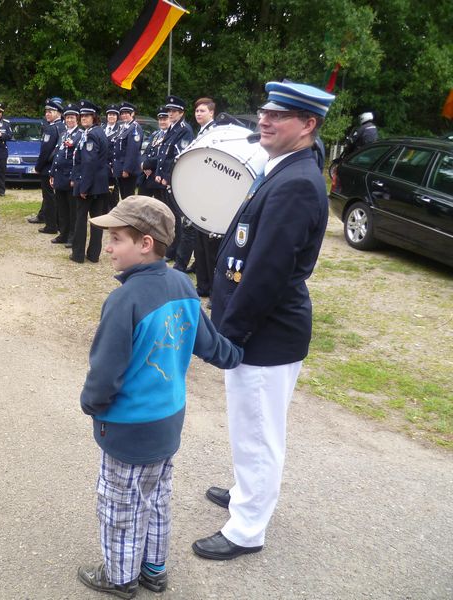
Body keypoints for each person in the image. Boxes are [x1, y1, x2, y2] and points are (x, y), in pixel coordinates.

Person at [192, 81, 335, 561]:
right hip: (260, 328)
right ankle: (245, 492)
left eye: (278, 115)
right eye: (264, 111)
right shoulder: (284, 169)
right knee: (247, 425)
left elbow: (267, 272)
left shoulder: (296, 183)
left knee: (258, 432)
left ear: (308, 125)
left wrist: (229, 335)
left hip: (266, 333)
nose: (264, 120)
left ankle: (247, 529)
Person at [76, 195, 243, 597]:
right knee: (155, 496)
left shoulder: (124, 300)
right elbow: (210, 344)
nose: (109, 248)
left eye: (116, 239)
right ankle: (154, 568)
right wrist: (238, 354)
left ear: (145, 244)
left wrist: (91, 404)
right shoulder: (182, 284)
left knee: (120, 505)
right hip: (168, 422)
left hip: (128, 427)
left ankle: (120, 577)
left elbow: (106, 371)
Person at [154, 95, 194, 269]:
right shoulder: (172, 128)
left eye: (174, 111)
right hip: (166, 178)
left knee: (176, 217)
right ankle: (171, 249)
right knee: (171, 215)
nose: (170, 114)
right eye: (169, 111)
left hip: (175, 178)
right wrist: (159, 172)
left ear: (181, 113)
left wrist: (167, 176)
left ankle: (175, 251)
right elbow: (163, 154)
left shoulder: (185, 130)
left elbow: (178, 157)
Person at [71, 100, 109, 264]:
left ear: (94, 117)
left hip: (90, 185)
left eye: (87, 115)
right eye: (82, 115)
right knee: (97, 220)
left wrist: (84, 188)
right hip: (99, 184)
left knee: (81, 220)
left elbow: (89, 162)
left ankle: (78, 254)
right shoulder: (98, 132)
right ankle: (93, 254)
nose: (84, 118)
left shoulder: (92, 134)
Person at [191, 97, 219, 299]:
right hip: (199, 191)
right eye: (196, 111)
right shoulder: (201, 132)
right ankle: (202, 286)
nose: (198, 114)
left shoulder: (216, 133)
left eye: (202, 111)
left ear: (211, 112)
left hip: (211, 192)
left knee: (210, 246)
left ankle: (214, 290)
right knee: (199, 243)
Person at [49, 103, 82, 247]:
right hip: (59, 176)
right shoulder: (63, 134)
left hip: (70, 177)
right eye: (67, 117)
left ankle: (72, 236)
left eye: (72, 117)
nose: (69, 120)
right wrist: (52, 173)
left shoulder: (80, 134)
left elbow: (78, 159)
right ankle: (63, 233)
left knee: (72, 210)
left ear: (77, 119)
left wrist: (74, 177)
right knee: (61, 208)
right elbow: (57, 155)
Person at [30, 97, 64, 232]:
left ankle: (51, 225)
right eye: (46, 111)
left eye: (51, 111)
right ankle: (59, 223)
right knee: (56, 197)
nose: (47, 114)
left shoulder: (51, 128)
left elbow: (45, 151)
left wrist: (38, 167)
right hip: (58, 167)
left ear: (58, 113)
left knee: (49, 198)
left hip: (48, 167)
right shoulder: (62, 126)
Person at [110, 101, 143, 203]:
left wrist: (127, 169)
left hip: (128, 170)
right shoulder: (123, 127)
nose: (124, 115)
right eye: (122, 113)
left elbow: (132, 150)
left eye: (126, 113)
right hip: (120, 168)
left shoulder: (135, 128)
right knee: (124, 197)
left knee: (129, 198)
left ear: (132, 113)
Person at [138, 106, 169, 200]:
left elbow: (164, 156)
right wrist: (144, 165)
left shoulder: (170, 135)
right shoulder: (156, 134)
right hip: (146, 175)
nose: (162, 122)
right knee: (141, 203)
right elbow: (146, 152)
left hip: (158, 175)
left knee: (159, 205)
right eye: (160, 119)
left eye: (165, 119)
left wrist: (147, 165)